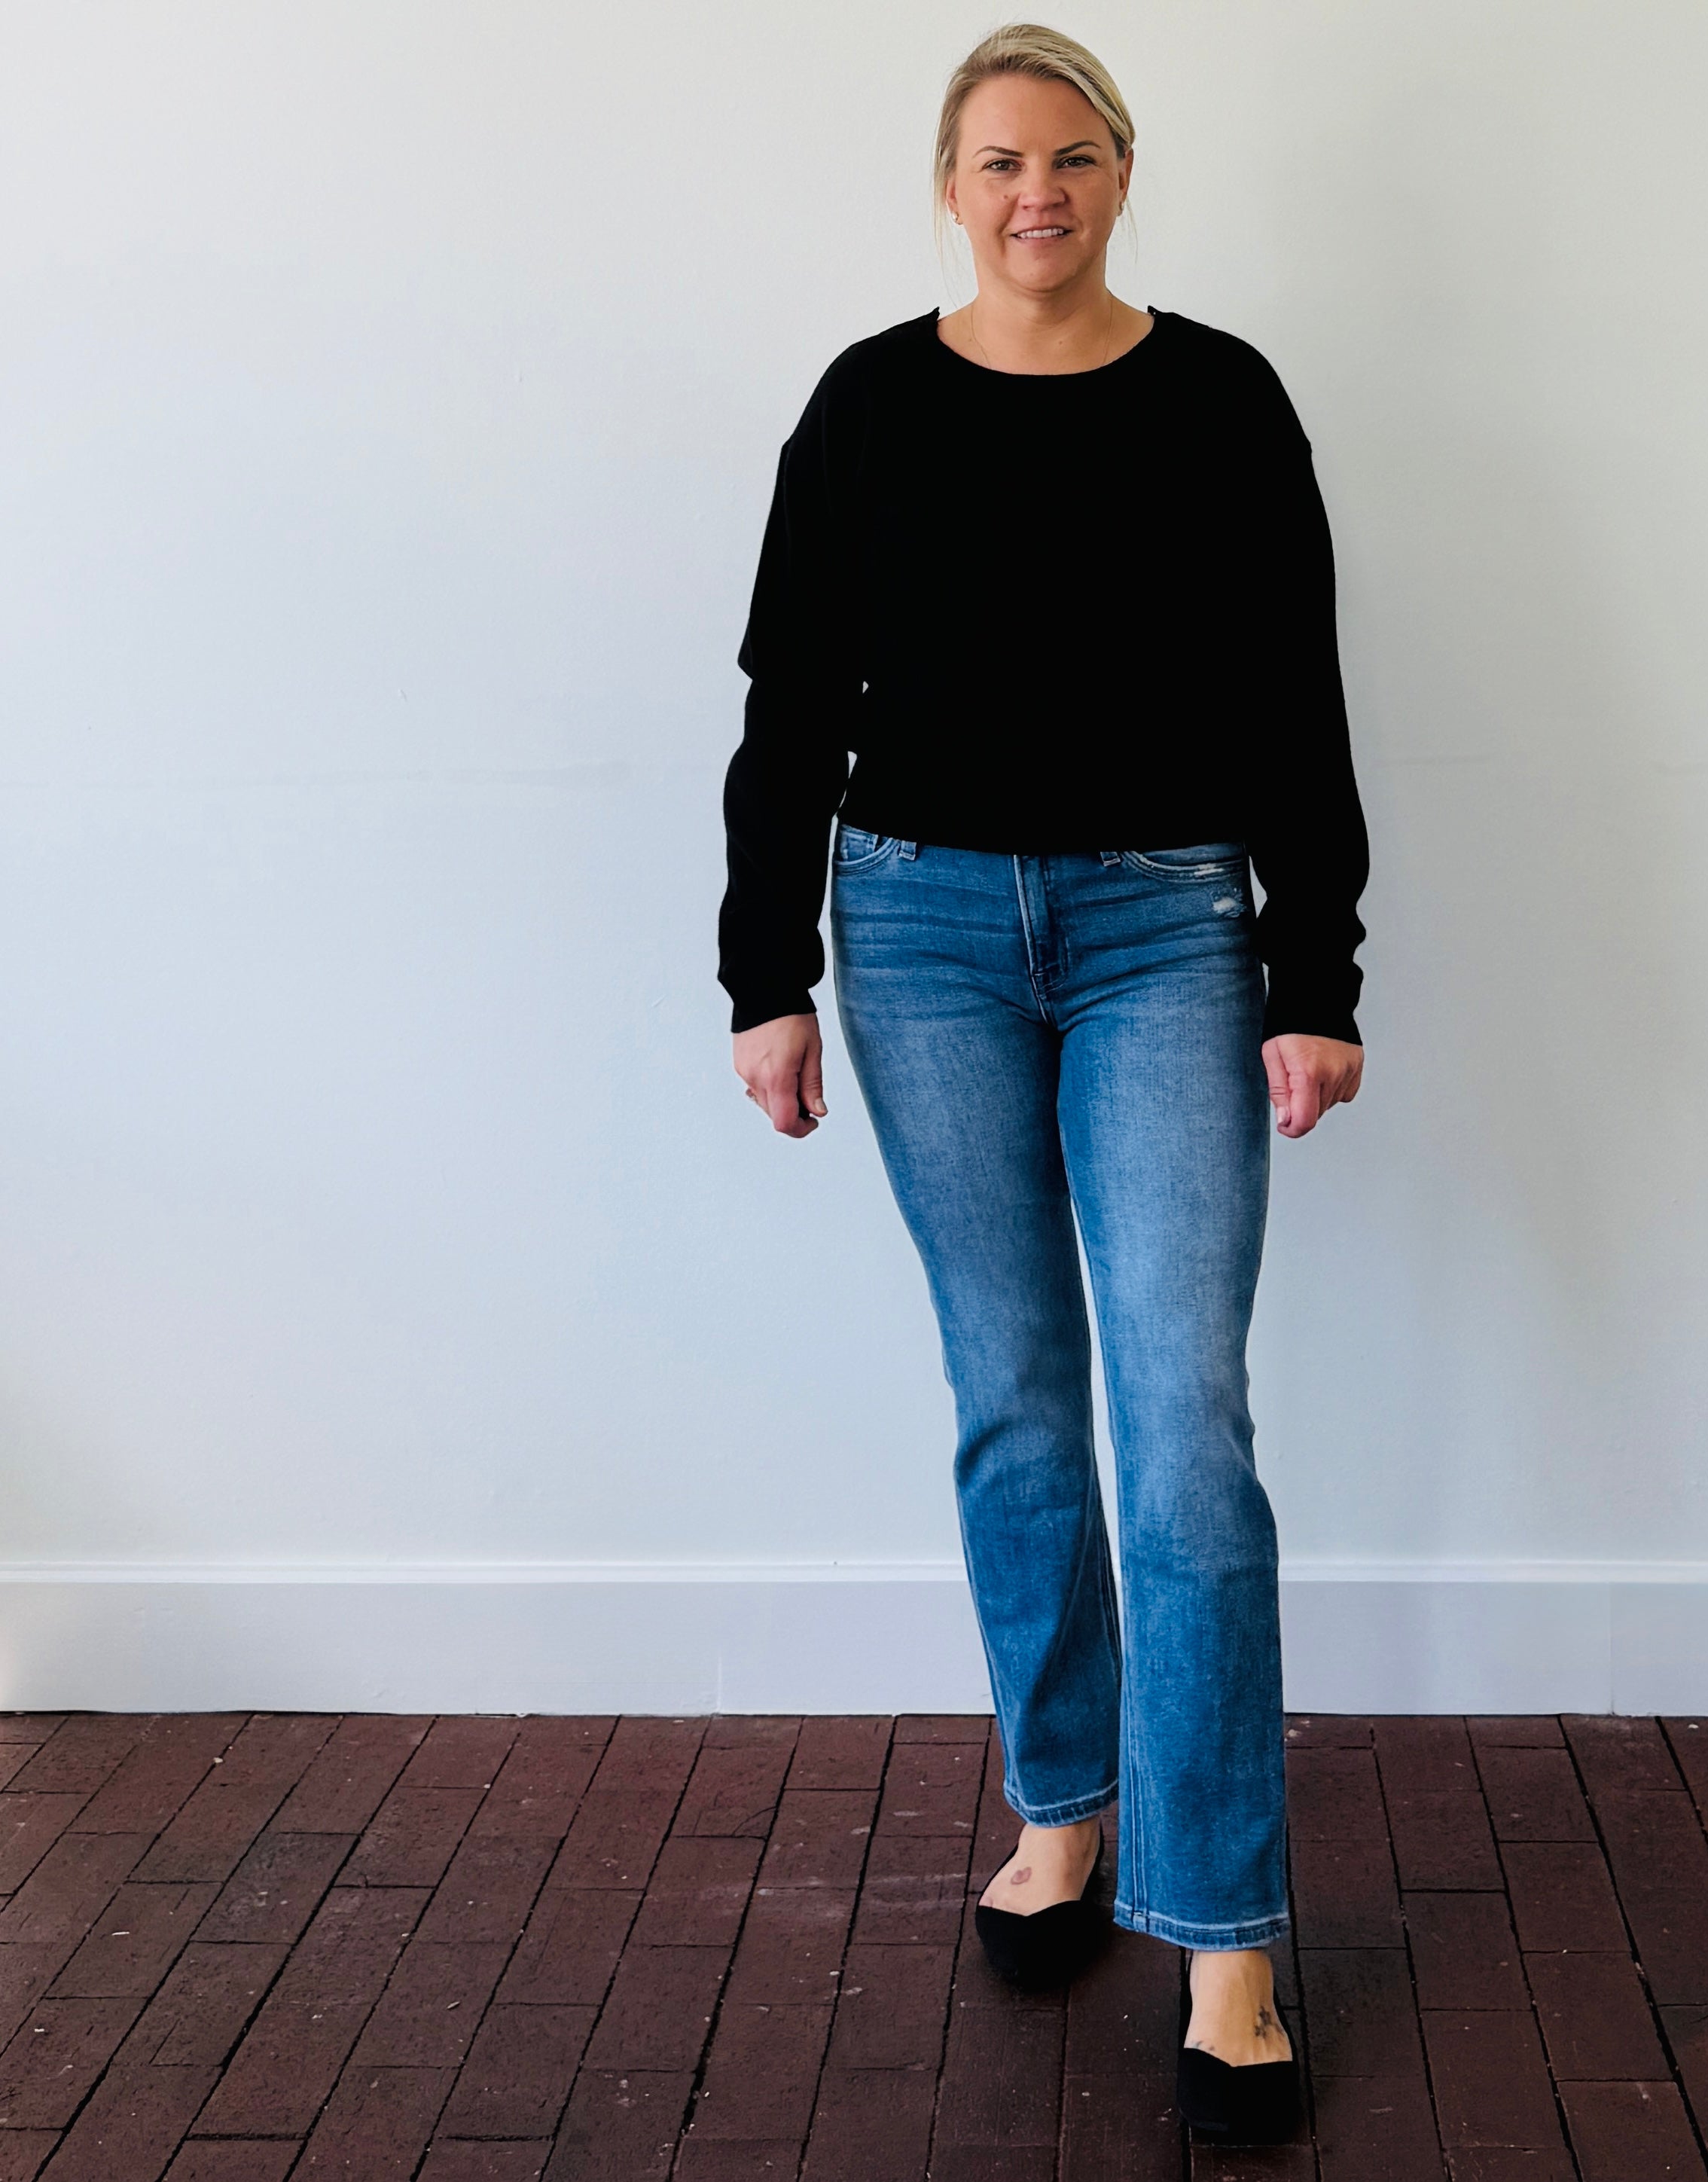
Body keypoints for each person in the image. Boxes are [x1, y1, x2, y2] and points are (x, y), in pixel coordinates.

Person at [718, 22, 1368, 2145]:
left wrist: (1313, 972)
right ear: (949, 183)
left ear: (1120, 176)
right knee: (1011, 1394)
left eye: (1073, 157)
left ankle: (1228, 1930)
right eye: (1000, 160)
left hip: (1167, 923)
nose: (1037, 193)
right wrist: (765, 973)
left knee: (1183, 1426)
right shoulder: (869, 403)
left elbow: (1293, 694)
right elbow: (789, 705)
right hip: (913, 930)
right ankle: (1065, 1803)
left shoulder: (1220, 398)